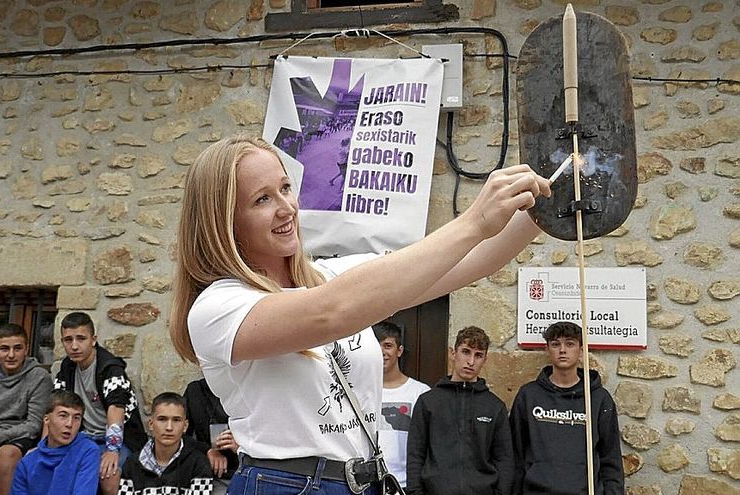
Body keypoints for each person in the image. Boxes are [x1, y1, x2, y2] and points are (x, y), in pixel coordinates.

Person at [168, 135, 551, 495]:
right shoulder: (217, 307)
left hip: (362, 480)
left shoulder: (332, 275)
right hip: (285, 483)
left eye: (285, 188)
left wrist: (549, 201)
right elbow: (329, 313)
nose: (287, 208)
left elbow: (470, 262)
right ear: (225, 222)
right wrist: (473, 221)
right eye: (262, 199)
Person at [509, 321, 624, 495]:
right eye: (556, 344)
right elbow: (515, 455)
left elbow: (611, 459)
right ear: (547, 350)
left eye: (570, 344)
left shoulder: (599, 399)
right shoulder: (528, 396)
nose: (562, 350)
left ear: (581, 350)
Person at [406, 326, 512, 495]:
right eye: (466, 352)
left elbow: (504, 459)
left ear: (485, 359)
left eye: (478, 355)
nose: (471, 361)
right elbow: (415, 454)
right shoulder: (428, 401)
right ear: (453, 353)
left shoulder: (494, 406)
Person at [53, 311, 145, 495]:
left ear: (93, 339)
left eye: (81, 338)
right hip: (81, 438)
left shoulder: (110, 368)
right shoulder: (67, 367)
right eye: (68, 340)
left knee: (109, 475)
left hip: (118, 439)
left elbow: (116, 407)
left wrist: (113, 449)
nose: (74, 346)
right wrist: (45, 445)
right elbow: (55, 408)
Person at [0, 323, 54, 495]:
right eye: (4, 349)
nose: (11, 355)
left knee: (6, 454)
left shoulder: (39, 377)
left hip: (21, 435)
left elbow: (33, 424)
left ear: (26, 349)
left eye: (17, 348)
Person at [119, 392, 213, 494]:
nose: (169, 427)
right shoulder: (132, 464)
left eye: (176, 420)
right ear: (151, 424)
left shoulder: (198, 463)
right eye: (162, 419)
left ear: (185, 426)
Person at [11, 390, 99, 495]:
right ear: (46, 419)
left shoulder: (88, 451)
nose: (70, 424)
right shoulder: (27, 463)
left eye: (76, 418)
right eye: (63, 416)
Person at [375, 321, 429, 488]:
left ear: (399, 351)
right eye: (377, 346)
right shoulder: (362, 392)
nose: (382, 352)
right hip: (368, 484)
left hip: (405, 483)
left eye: (388, 345)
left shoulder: (420, 392)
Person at [183, 377, 239, 479]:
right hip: (208, 474)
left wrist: (241, 447)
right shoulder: (196, 390)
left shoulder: (247, 389)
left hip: (245, 472)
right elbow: (180, 437)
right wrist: (207, 450)